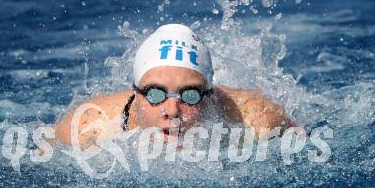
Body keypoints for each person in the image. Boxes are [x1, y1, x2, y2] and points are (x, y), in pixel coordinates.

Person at [55, 23, 296, 148]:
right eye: (155, 93)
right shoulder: (87, 126)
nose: (172, 110)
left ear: (209, 96)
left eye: (189, 95)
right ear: (136, 94)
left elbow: (306, 141)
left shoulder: (257, 119)